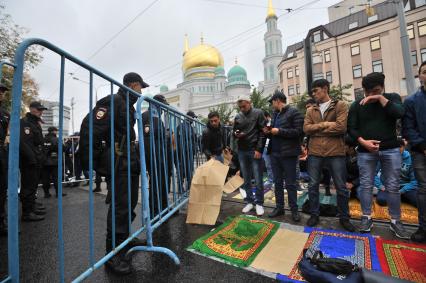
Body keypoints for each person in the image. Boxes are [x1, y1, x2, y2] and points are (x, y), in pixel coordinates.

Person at [96, 72, 148, 274]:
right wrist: (98, 163)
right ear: (133, 85)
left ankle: (124, 239)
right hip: (119, 161)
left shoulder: (127, 105)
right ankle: (112, 254)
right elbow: (92, 129)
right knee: (120, 207)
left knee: (129, 203)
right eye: (139, 87)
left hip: (128, 160)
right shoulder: (114, 101)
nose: (140, 91)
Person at [347, 72, 409, 239]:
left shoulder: (392, 98)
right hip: (366, 151)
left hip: (390, 149)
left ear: (382, 87)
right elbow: (351, 128)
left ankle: (396, 220)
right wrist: (362, 142)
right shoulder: (356, 105)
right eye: (368, 92)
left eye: (375, 90)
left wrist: (381, 99)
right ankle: (366, 217)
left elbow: (399, 113)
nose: (371, 95)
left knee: (393, 186)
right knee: (366, 185)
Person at [303, 79, 355, 232]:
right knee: (312, 185)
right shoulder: (310, 110)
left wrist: (316, 129)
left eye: (316, 91)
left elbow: (341, 128)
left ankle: (344, 218)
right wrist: (324, 124)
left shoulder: (340, 105)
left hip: (335, 152)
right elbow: (306, 129)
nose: (314, 94)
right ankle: (314, 214)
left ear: (325, 89)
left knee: (341, 186)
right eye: (312, 92)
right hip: (315, 152)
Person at [264, 90, 303, 221]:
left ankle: (294, 210)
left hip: (289, 154)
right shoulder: (275, 114)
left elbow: (298, 132)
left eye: (272, 102)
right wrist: (268, 132)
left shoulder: (294, 112)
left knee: (291, 184)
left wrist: (279, 131)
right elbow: (274, 132)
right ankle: (279, 207)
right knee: (277, 182)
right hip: (275, 154)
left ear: (277, 101)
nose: (272, 105)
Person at [403, 61, 426, 243]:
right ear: (419, 76)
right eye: (424, 72)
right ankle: (423, 228)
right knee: (423, 190)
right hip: (421, 152)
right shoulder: (411, 101)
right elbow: (408, 128)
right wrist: (422, 146)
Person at [233, 95, 266, 216]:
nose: (242, 108)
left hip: (254, 150)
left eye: (244, 106)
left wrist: (259, 149)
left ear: (249, 103)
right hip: (242, 150)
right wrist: (236, 134)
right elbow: (234, 131)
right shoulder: (238, 116)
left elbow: (263, 132)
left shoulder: (258, 113)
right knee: (246, 178)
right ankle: (249, 201)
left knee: (258, 178)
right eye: (240, 107)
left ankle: (259, 203)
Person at [142, 94, 173, 218]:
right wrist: (156, 160)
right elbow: (149, 141)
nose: (163, 109)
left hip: (160, 157)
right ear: (156, 104)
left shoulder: (155, 117)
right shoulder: (149, 116)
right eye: (162, 106)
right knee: (156, 184)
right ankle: (156, 211)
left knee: (162, 182)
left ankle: (164, 207)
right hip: (155, 158)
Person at [20, 101, 48, 222]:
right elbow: (24, 143)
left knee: (33, 185)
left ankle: (31, 206)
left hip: (36, 159)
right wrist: (32, 159)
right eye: (38, 109)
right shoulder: (25, 122)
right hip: (29, 161)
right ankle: (27, 212)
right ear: (31, 109)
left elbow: (38, 143)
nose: (41, 112)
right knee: (28, 187)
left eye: (42, 110)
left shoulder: (35, 122)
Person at [374, 139, 418, 208]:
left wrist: (402, 190)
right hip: (387, 187)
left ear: (404, 147)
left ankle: (400, 197)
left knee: (419, 201)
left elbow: (415, 180)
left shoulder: (411, 158)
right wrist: (380, 186)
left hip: (405, 187)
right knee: (381, 200)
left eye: (400, 147)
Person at [42, 126, 66, 198]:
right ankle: (58, 193)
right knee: (56, 178)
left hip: (44, 161)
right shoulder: (56, 139)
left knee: (45, 178)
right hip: (55, 161)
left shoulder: (43, 139)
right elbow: (63, 149)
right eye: (56, 131)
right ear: (54, 131)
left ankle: (46, 193)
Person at [0, 83, 10, 235]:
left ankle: (1, 221)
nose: (1, 94)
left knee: (2, 187)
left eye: (2, 92)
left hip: (1, 149)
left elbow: (8, 132)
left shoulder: (5, 113)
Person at [262, 110, 274, 188]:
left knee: (274, 165)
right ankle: (271, 180)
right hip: (265, 147)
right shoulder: (263, 124)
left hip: (272, 147)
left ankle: (275, 181)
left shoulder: (273, 122)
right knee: (268, 165)